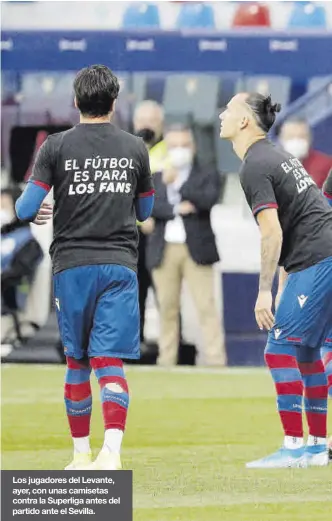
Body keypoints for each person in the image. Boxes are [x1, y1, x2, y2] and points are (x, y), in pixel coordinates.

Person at [15, 65, 155, 471]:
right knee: (108, 360)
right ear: (114, 103)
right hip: (118, 266)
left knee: (77, 361)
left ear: (76, 102)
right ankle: (111, 453)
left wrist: (50, 205)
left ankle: (80, 456)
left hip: (72, 266)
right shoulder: (135, 147)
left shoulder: (55, 146)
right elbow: (145, 211)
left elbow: (25, 209)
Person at [220, 92, 332, 468]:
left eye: (229, 110)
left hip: (318, 259)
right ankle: (317, 448)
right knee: (306, 352)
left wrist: (263, 292)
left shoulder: (255, 164)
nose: (222, 115)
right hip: (321, 256)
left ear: (244, 122)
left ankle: (292, 446)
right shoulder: (279, 155)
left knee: (278, 349)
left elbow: (272, 233)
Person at [147, 124, 226, 367]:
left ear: (192, 147)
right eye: (174, 146)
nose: (179, 150)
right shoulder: (156, 177)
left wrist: (178, 186)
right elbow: (149, 207)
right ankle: (167, 360)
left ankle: (215, 360)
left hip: (197, 249)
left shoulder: (206, 173)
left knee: (206, 306)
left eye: (184, 145)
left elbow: (207, 199)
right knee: (167, 308)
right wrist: (175, 207)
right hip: (164, 249)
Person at [133, 100, 167, 347]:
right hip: (132, 234)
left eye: (152, 120)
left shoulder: (170, 150)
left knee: (165, 292)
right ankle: (135, 342)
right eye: (142, 120)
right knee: (133, 292)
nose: (146, 125)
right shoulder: (126, 149)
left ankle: (169, 346)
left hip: (161, 232)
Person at [279, 118, 332, 189]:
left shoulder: (326, 165)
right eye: (291, 136)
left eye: (301, 136)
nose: (296, 141)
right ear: (281, 140)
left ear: (309, 138)